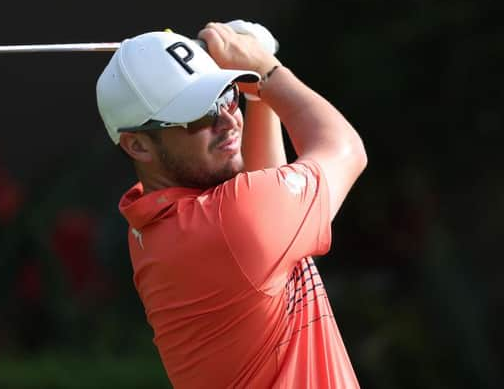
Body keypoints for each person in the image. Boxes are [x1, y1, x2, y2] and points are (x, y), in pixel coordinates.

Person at [96, 20, 367, 388]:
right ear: (138, 145)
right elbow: (345, 150)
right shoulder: (228, 224)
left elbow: (259, 193)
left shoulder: (156, 220)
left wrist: (256, 92)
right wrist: (268, 70)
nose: (227, 120)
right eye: (198, 114)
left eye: (226, 95)